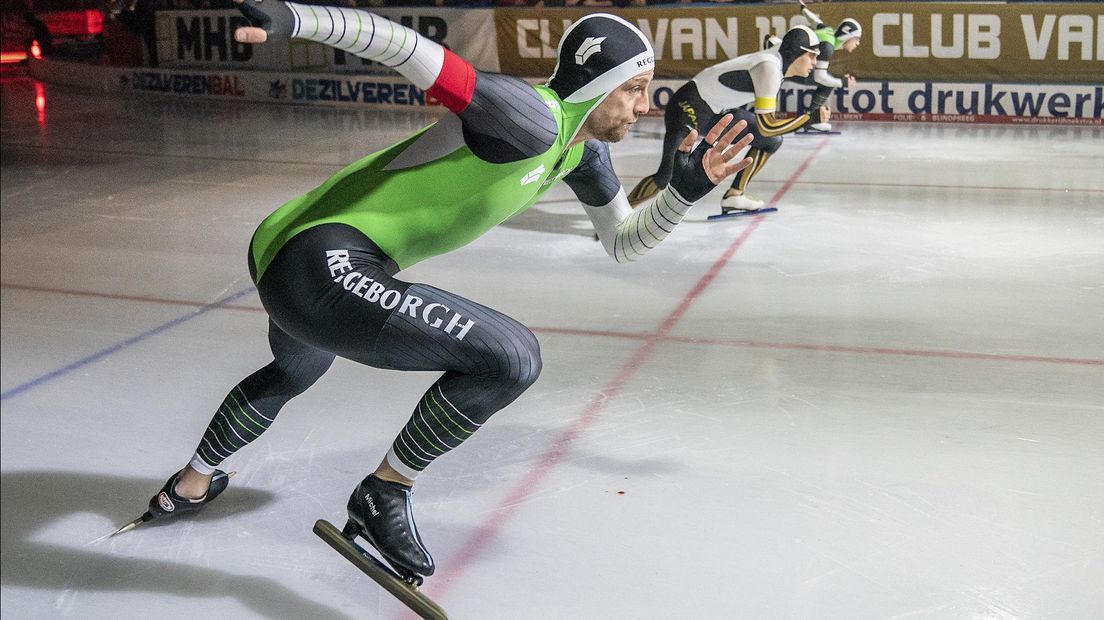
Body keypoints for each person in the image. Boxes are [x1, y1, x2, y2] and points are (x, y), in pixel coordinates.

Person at [132, 0, 754, 584]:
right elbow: (408, 49)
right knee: (511, 358)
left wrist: (683, 193)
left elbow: (623, 241)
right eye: (633, 89)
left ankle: (188, 483)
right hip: (320, 262)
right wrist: (296, 17)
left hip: (292, 253)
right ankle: (384, 492)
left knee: (293, 372)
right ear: (595, 84)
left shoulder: (579, 153)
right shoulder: (529, 117)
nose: (644, 106)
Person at [627, 25, 826, 215]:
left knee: (771, 142)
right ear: (796, 52)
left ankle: (734, 196)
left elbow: (772, 40)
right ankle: (621, 214)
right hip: (687, 106)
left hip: (717, 113)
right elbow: (767, 126)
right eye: (812, 55)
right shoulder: (769, 68)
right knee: (666, 175)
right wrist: (809, 119)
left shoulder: (778, 55)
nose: (815, 63)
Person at [791, 0, 862, 132]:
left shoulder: (828, 31)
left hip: (791, 61)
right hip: (790, 67)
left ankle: (812, 117)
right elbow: (820, 78)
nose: (858, 43)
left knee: (830, 79)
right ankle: (812, 120)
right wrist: (843, 82)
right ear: (848, 36)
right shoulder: (827, 46)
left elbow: (814, 20)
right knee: (829, 81)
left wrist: (803, 9)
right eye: (857, 39)